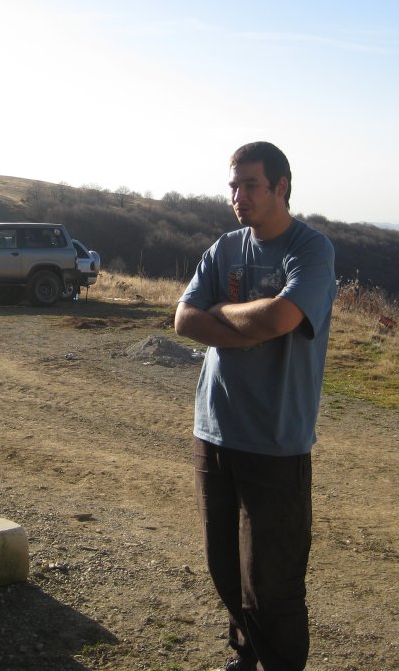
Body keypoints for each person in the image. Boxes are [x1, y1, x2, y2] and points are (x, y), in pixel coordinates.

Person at [174, 142, 336, 671]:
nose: (237, 196)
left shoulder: (310, 250)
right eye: (233, 186)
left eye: (250, 185)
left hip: (276, 439)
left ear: (281, 187)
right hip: (214, 430)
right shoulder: (224, 248)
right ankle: (246, 656)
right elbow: (184, 320)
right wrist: (244, 320)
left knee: (272, 583)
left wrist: (221, 312)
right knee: (224, 568)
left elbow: (281, 318)